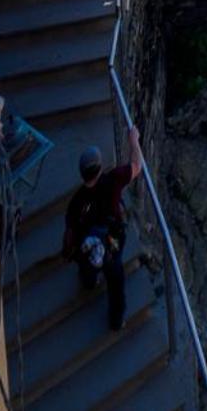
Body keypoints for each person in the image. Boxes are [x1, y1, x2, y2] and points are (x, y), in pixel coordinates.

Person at [63, 125, 143, 330]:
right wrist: (133, 140)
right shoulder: (113, 180)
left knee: (87, 262)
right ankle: (116, 321)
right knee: (116, 282)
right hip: (111, 241)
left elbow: (71, 229)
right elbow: (137, 165)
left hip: (88, 245)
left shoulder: (76, 202)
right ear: (99, 169)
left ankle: (89, 281)